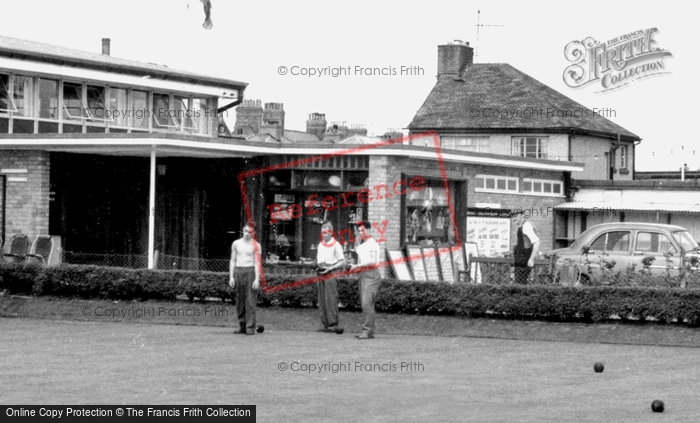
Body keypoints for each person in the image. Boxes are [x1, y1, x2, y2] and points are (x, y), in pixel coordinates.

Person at [349, 221, 381, 339]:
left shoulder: (373, 244)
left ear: (369, 230)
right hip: (363, 274)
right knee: (366, 304)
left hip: (372, 274)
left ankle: (367, 331)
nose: (361, 233)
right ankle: (369, 331)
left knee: (366, 303)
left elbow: (373, 261)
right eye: (359, 231)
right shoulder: (362, 245)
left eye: (363, 230)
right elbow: (360, 260)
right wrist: (356, 268)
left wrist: (358, 266)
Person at [229, 224, 261, 335]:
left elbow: (257, 263)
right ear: (243, 230)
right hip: (238, 271)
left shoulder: (256, 245)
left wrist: (257, 279)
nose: (247, 234)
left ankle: (250, 327)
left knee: (250, 300)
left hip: (250, 271)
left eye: (250, 232)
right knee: (239, 301)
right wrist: (231, 277)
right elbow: (232, 261)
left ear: (254, 233)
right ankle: (242, 326)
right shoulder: (236, 243)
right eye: (246, 231)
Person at [316, 221, 346, 334]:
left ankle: (333, 324)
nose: (324, 234)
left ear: (331, 232)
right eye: (322, 232)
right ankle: (325, 324)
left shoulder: (336, 245)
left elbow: (342, 261)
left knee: (331, 298)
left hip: (331, 271)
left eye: (326, 232)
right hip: (321, 271)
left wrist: (331, 268)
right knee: (322, 298)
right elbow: (319, 259)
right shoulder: (320, 244)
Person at [512, 210, 540, 284]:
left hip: (525, 260)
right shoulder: (521, 227)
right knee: (519, 283)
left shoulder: (526, 226)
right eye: (513, 217)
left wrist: (531, 259)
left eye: (516, 216)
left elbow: (536, 242)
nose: (514, 219)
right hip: (520, 260)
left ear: (522, 216)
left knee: (520, 284)